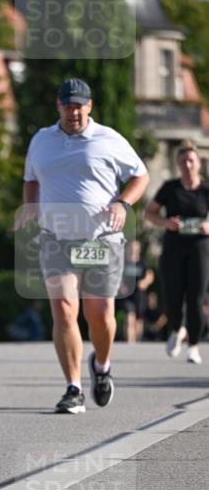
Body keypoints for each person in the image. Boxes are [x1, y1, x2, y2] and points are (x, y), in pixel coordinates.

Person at [19, 78, 149, 413]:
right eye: (68, 105)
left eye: (79, 106)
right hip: (56, 239)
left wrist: (122, 203)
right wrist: (30, 208)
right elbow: (31, 179)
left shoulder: (109, 139)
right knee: (64, 309)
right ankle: (73, 388)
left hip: (101, 239)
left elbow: (141, 175)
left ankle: (101, 366)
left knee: (100, 315)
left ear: (89, 107)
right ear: (58, 106)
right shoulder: (41, 140)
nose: (73, 112)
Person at [144, 141, 209, 364]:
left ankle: (193, 346)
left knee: (196, 298)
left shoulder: (206, 189)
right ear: (178, 165)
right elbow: (149, 213)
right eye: (183, 161)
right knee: (173, 296)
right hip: (174, 247)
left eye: (191, 161)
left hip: (200, 248)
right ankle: (176, 329)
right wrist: (166, 223)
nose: (187, 165)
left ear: (198, 163)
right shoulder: (170, 188)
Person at [116, 239, 155, 343]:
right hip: (126, 295)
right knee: (129, 317)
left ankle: (137, 343)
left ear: (139, 249)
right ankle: (130, 342)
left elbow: (150, 275)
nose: (133, 249)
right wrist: (120, 286)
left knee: (138, 320)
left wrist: (145, 282)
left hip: (139, 295)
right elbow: (116, 276)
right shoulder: (123, 262)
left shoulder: (142, 262)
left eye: (135, 247)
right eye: (131, 247)